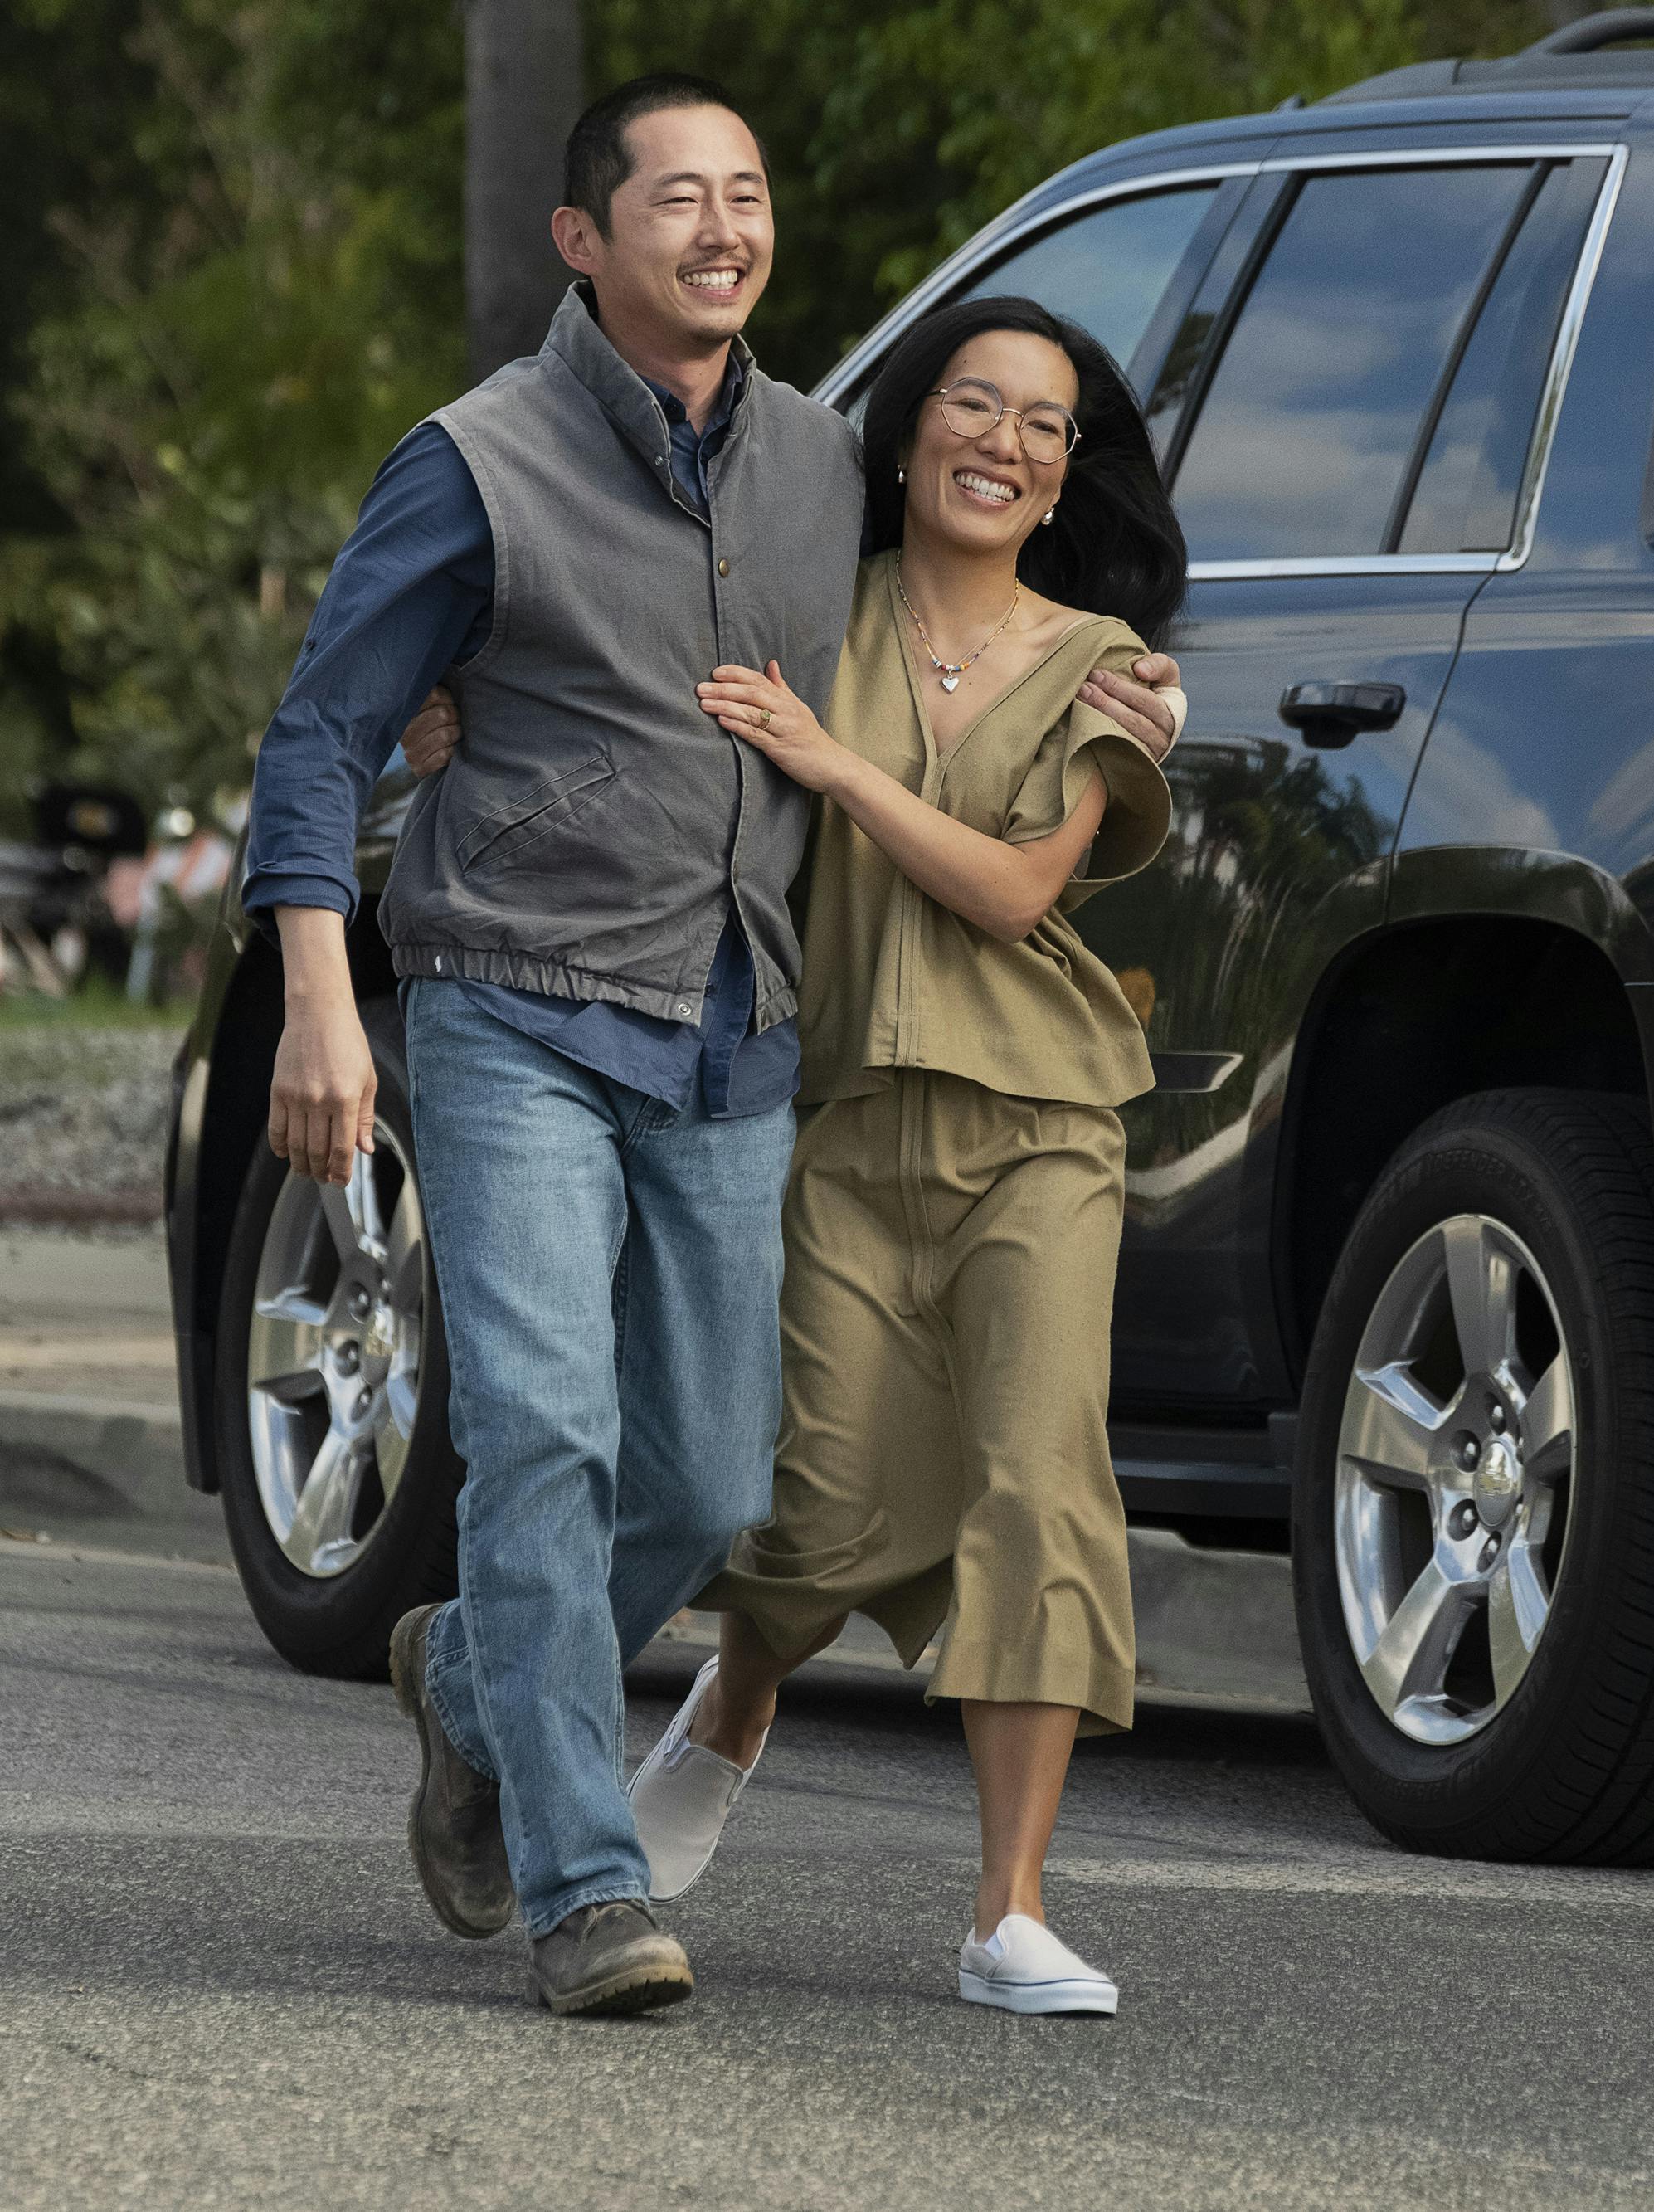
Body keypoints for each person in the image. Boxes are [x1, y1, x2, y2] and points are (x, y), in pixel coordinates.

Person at [254, 66, 1183, 2017]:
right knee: (548, 1433)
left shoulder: (820, 460)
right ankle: (586, 1885)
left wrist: (1127, 655)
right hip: (512, 998)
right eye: (674, 197)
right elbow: (327, 730)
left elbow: (971, 551)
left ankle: (481, 1677)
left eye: (745, 193)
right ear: (584, 239)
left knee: (697, 1478)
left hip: (734, 1030)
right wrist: (326, 999)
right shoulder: (475, 461)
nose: (721, 226)